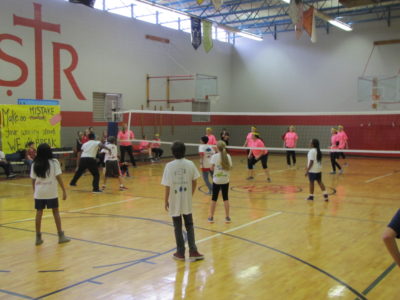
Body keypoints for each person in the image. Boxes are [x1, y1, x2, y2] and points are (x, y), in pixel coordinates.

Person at [161, 141, 204, 262]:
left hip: (174, 200)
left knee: (177, 226)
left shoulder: (169, 166)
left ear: (173, 152)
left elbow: (167, 186)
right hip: (186, 200)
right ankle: (193, 251)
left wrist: (166, 201)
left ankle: (180, 252)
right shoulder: (190, 164)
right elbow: (195, 181)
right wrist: (190, 195)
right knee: (189, 225)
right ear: (184, 151)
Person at [31, 143, 70, 245]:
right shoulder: (54, 162)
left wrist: (34, 191)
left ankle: (38, 237)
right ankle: (61, 236)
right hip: (51, 192)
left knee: (39, 213)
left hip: (39, 193)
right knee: (55, 212)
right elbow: (59, 177)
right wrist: (64, 190)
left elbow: (33, 180)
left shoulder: (34, 163)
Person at [208, 141, 232, 223]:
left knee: (214, 199)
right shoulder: (228, 156)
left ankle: (211, 217)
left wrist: (216, 169)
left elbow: (211, 168)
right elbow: (230, 167)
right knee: (225, 198)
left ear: (217, 148)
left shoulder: (214, 156)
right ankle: (227, 217)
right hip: (225, 180)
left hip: (217, 180)